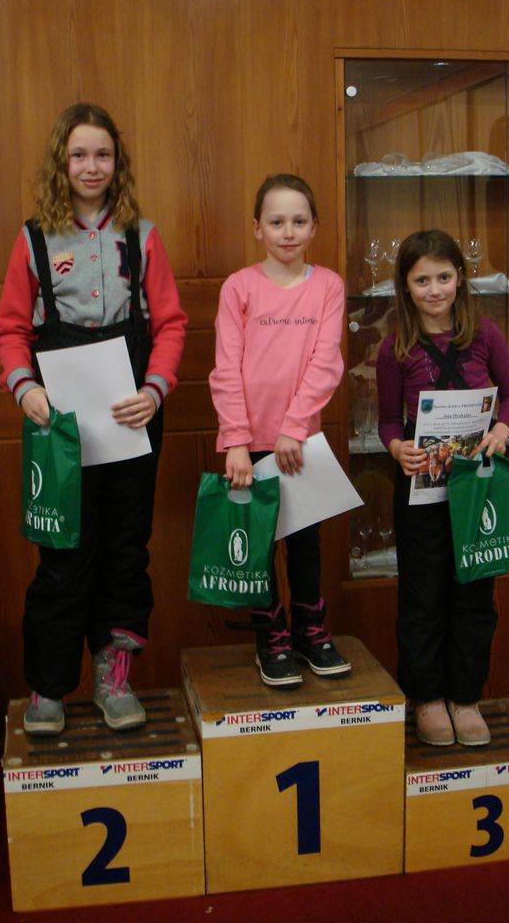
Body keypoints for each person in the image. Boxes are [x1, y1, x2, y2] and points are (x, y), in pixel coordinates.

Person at [0, 103, 187, 736]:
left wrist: (155, 391)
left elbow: (171, 326)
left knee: (125, 547)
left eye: (103, 154)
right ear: (62, 162)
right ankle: (48, 686)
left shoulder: (142, 236)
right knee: (63, 554)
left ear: (117, 163)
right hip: (59, 424)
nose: (91, 166)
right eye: (79, 154)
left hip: (133, 417)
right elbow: (10, 331)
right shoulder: (33, 239)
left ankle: (114, 677)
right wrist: (25, 389)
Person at [376, 229, 509, 746]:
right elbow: (387, 422)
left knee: (475, 592)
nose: (434, 289)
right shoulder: (395, 347)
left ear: (460, 277)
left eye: (443, 277)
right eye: (422, 280)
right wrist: (397, 449)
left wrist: (501, 431)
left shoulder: (484, 334)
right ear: (405, 285)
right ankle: (427, 698)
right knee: (423, 595)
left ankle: (465, 697)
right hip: (420, 485)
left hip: (475, 485)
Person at [209, 173, 351, 688]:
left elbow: (326, 363)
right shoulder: (238, 288)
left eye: (298, 221)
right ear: (257, 228)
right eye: (276, 222)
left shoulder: (328, 286)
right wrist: (236, 441)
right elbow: (226, 367)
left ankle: (311, 632)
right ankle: (271, 638)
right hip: (249, 443)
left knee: (306, 542)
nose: (288, 232)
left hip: (301, 441)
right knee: (261, 545)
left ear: (314, 227)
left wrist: (294, 427)